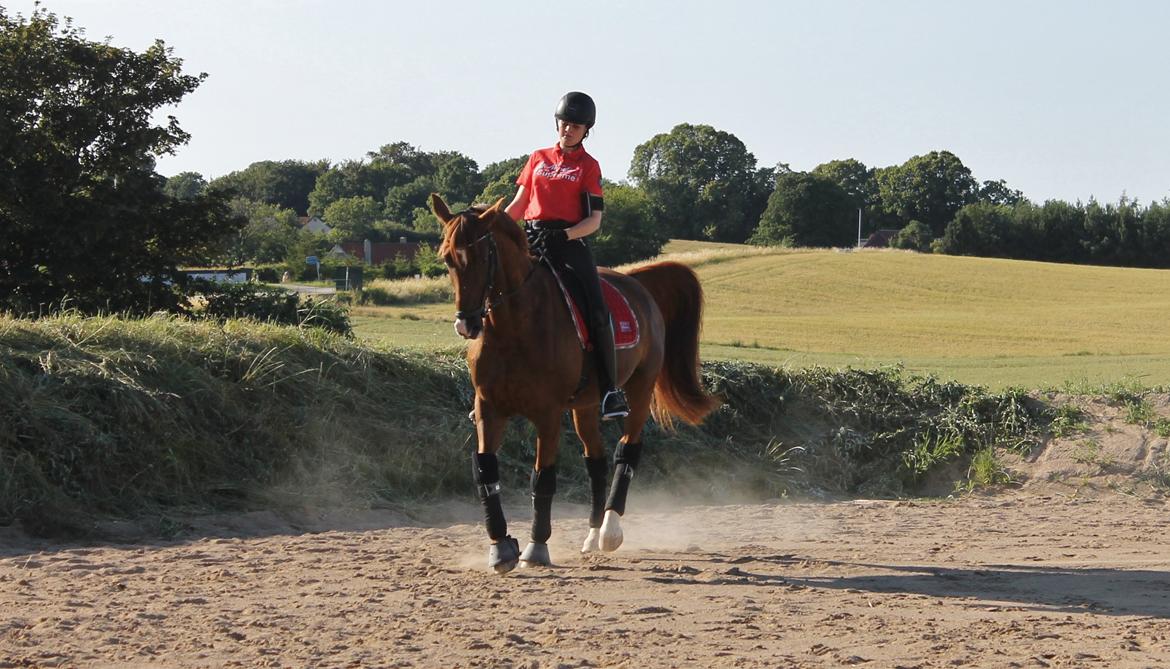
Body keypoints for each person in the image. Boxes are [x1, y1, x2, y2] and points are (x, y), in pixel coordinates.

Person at [504, 91, 629, 420]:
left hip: (569, 242)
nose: (568, 129)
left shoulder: (589, 166)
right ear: (556, 123)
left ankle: (610, 392)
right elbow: (519, 204)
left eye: (576, 125)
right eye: (564, 123)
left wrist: (564, 234)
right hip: (530, 237)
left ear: (587, 129)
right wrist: (497, 226)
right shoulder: (537, 158)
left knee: (597, 310)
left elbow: (595, 221)